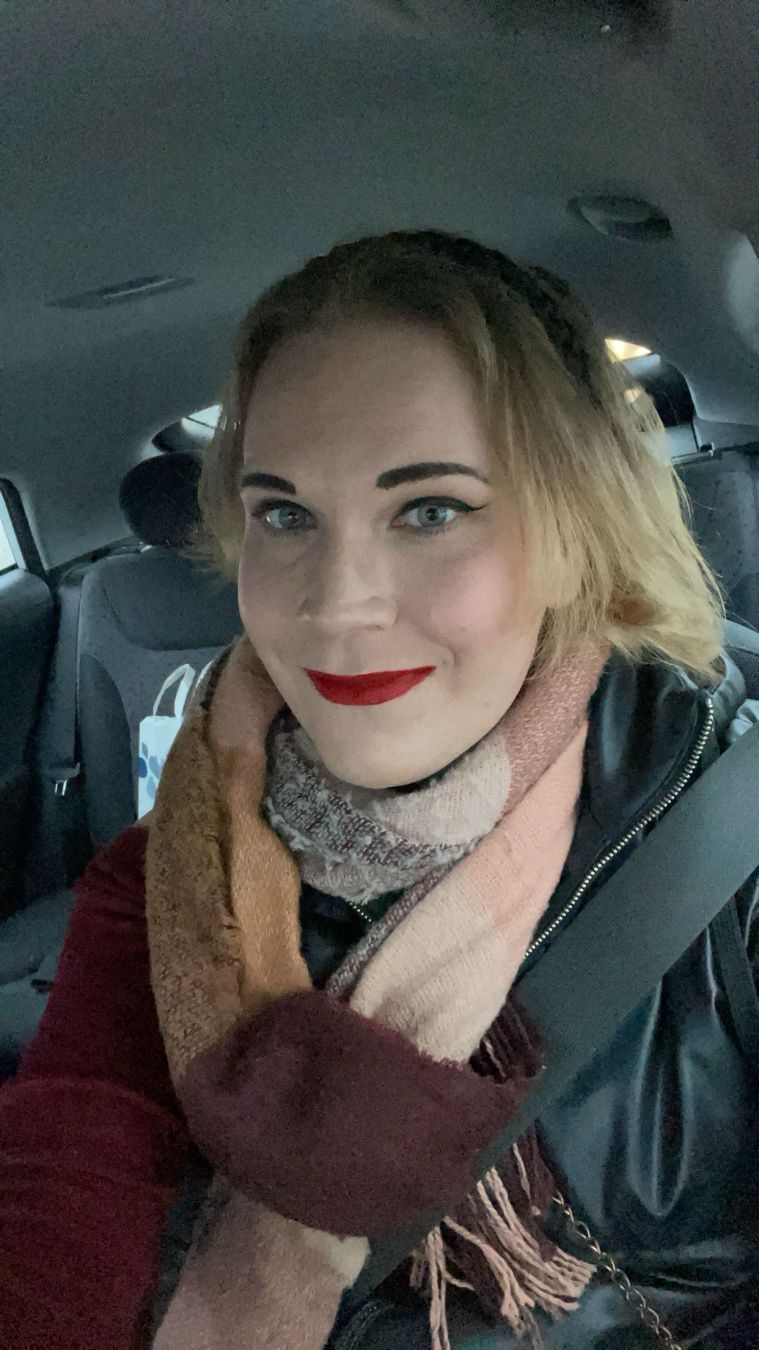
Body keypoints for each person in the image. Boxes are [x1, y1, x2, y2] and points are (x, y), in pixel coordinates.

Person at [1, 230, 756, 1350]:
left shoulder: (729, 835)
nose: (338, 604)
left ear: (568, 534)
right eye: (286, 515)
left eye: (431, 509)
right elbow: (65, 1192)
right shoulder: (168, 877)